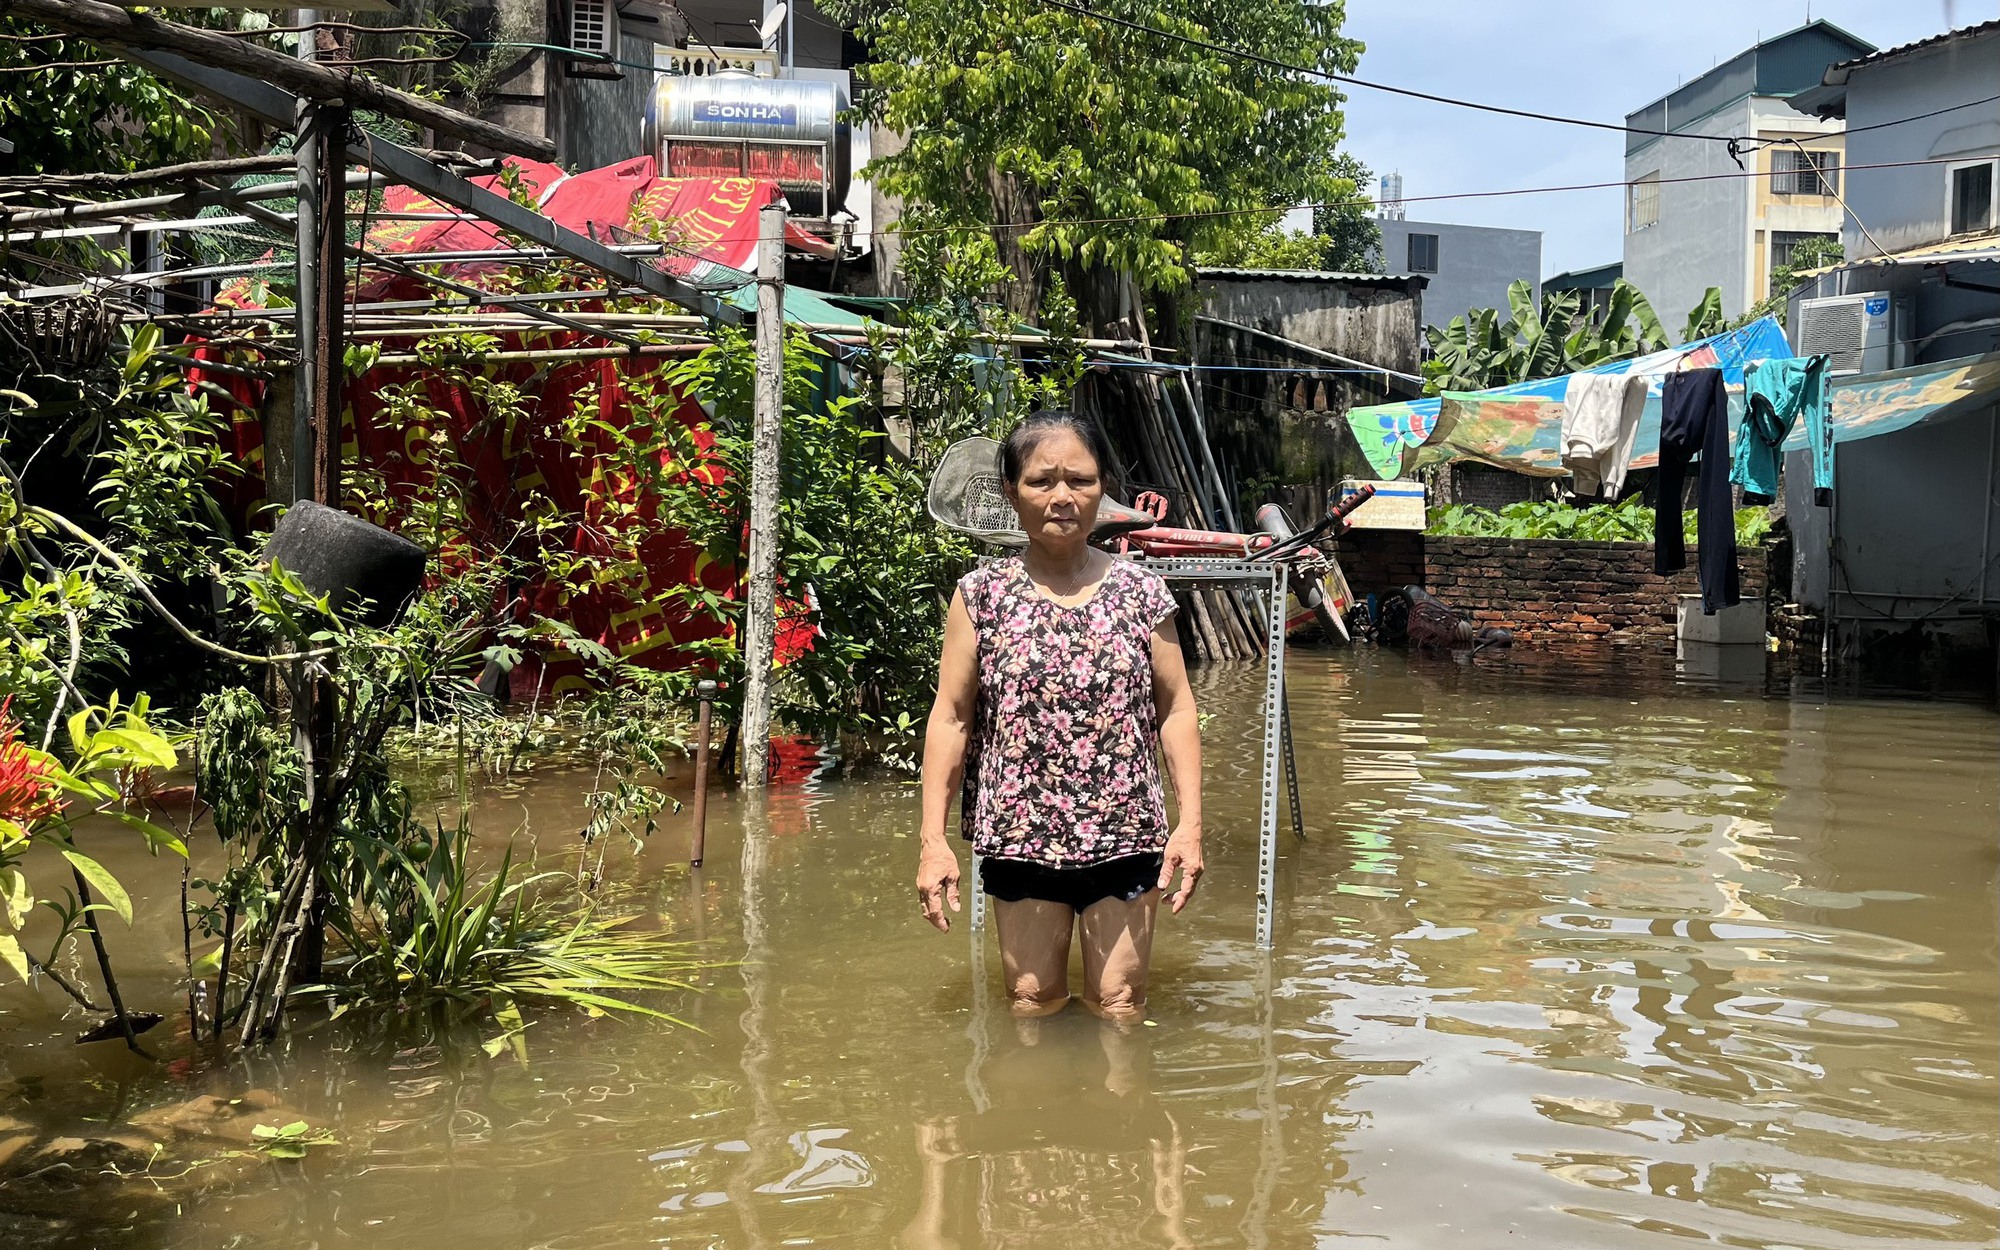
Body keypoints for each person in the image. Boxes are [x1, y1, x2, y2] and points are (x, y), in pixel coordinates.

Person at [915, 409, 1203, 1021]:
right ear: (1010, 493)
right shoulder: (980, 596)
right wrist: (932, 841)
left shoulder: (1141, 592)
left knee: (1120, 1003)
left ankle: (1122, 1113)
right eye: (1042, 481)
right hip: (1020, 833)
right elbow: (951, 719)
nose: (1064, 497)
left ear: (1103, 489)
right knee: (1031, 1000)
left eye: (1082, 480)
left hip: (1125, 830)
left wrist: (1191, 825)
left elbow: (1175, 709)